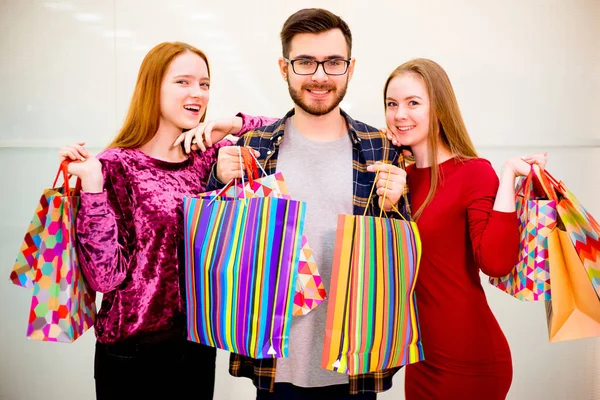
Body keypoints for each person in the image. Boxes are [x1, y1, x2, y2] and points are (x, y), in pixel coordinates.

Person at [189, 7, 411, 400]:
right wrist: (216, 184)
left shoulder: (382, 147)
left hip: (355, 364)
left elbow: (401, 259)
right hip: (276, 363)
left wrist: (398, 208)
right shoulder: (253, 148)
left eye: (333, 62)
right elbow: (219, 251)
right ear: (284, 67)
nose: (320, 75)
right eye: (306, 62)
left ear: (351, 67)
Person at [58, 41, 240, 400]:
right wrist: (92, 185)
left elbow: (284, 132)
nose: (198, 93)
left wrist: (230, 124)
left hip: (197, 345)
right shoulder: (114, 165)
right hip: (131, 353)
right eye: (183, 82)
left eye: (204, 84)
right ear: (152, 87)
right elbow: (104, 277)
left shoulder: (209, 158)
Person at [383, 58, 546, 399]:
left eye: (413, 103)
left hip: (471, 360)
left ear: (439, 108)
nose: (399, 115)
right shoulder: (398, 179)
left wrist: (506, 178)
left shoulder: (473, 173)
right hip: (421, 359)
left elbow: (497, 263)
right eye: (392, 104)